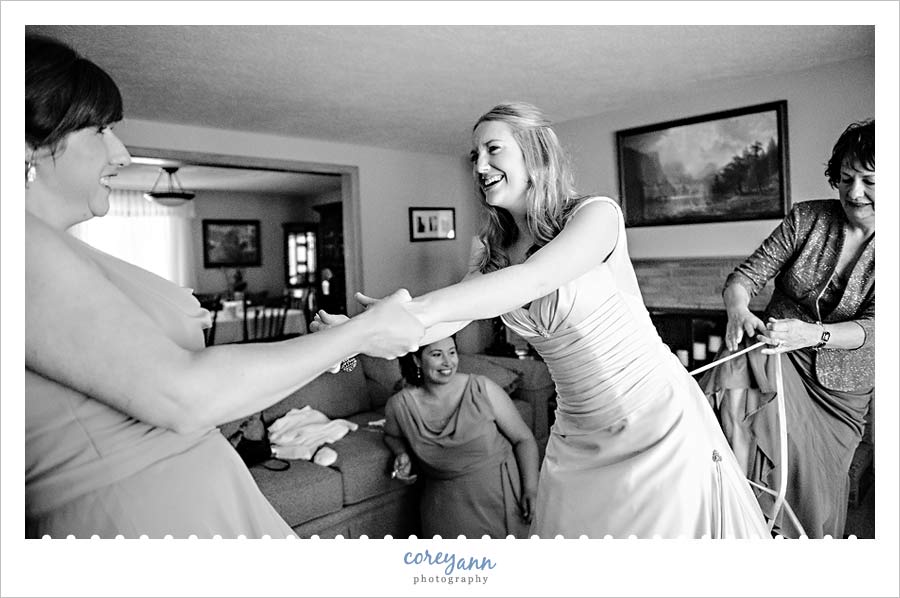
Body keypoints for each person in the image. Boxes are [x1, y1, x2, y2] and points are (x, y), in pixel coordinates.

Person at [24, 34, 423, 539]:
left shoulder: (53, 249)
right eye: (101, 129)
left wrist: (335, 346)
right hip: (144, 518)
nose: (121, 152)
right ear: (28, 146)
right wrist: (356, 338)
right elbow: (184, 392)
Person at [318, 102, 770, 538]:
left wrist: (406, 310)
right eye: (475, 155)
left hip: (654, 417)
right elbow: (448, 322)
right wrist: (357, 337)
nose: (479, 166)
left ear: (535, 154)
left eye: (494, 149)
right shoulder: (491, 251)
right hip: (577, 433)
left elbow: (534, 280)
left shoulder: (596, 215)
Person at [699, 120, 875, 538]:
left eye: (870, 181)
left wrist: (815, 334)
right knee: (730, 392)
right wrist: (738, 309)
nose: (854, 193)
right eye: (846, 179)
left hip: (841, 391)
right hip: (774, 356)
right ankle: (740, 530)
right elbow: (744, 278)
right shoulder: (807, 218)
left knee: (816, 490)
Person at [383, 336, 539, 538]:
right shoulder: (399, 405)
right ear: (417, 360)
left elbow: (523, 439)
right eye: (437, 354)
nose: (448, 362)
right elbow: (391, 435)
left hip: (501, 498)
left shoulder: (483, 389)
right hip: (444, 507)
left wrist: (531, 489)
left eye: (452, 352)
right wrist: (401, 453)